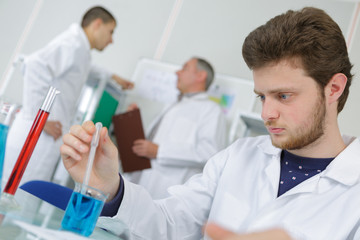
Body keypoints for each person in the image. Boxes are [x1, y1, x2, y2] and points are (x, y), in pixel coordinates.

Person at [60, 7, 359, 240]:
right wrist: (110, 188)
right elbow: (168, 224)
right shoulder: (238, 157)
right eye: (262, 97)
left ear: (333, 89)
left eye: (283, 95)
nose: (267, 113)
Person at [4, 6, 133, 185]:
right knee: (14, 200)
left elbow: (85, 68)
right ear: (97, 24)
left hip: (44, 137)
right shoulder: (72, 44)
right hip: (36, 135)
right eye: (110, 32)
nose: (111, 40)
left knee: (19, 200)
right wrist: (39, 118)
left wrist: (112, 76)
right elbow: (34, 65)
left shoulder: (81, 50)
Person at [124, 57, 227, 199]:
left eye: (184, 68)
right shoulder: (173, 104)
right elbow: (153, 144)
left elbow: (208, 152)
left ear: (200, 76)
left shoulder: (211, 111)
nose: (177, 72)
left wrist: (160, 151)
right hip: (138, 183)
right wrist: (132, 123)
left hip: (165, 193)